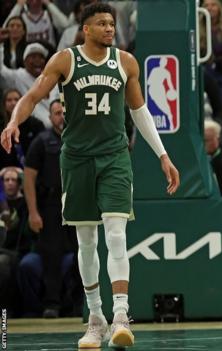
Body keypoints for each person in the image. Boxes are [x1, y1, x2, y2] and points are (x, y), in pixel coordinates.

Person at [0, 3, 180, 348]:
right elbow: (34, 95)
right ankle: (95, 318)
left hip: (114, 157)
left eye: (112, 23)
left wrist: (163, 155)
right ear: (86, 29)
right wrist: (12, 122)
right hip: (77, 159)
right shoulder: (65, 60)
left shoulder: (125, 62)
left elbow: (139, 111)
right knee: (86, 241)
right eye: (102, 23)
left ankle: (121, 316)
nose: (110, 28)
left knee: (115, 234)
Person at [22, 99, 74, 318]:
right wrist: (33, 212)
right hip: (50, 206)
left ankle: (79, 305)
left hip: (75, 203)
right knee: (51, 257)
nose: (61, 116)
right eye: (56, 112)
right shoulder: (42, 142)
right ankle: (51, 304)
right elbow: (28, 178)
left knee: (84, 255)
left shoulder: (79, 139)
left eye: (64, 112)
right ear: (50, 116)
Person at [204, 120, 222, 197]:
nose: (204, 143)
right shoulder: (199, 158)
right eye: (204, 140)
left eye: (207, 140)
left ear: (218, 139)